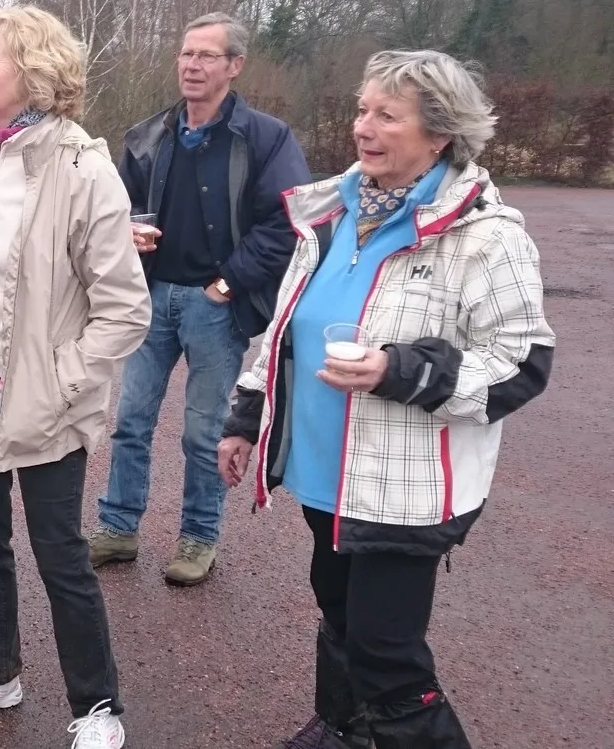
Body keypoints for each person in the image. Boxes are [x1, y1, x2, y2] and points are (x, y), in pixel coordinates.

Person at [218, 50, 554, 749]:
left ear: (440, 135)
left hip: (405, 488)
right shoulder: (330, 214)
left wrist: (400, 370)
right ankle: (344, 729)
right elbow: (285, 333)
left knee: (387, 656)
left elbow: (521, 364)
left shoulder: (486, 237)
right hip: (324, 471)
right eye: (362, 109)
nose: (363, 127)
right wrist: (246, 416)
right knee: (340, 612)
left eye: (387, 116)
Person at [0, 6, 151, 749]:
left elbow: (125, 310)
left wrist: (59, 381)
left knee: (60, 555)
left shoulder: (83, 170)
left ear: (34, 69)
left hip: (45, 403)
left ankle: (97, 707)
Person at [90, 12, 310, 586]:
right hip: (151, 297)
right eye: (187, 53)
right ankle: (118, 527)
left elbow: (288, 221)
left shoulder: (266, 138)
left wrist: (229, 282)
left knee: (204, 432)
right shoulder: (150, 134)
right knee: (130, 421)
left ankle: (198, 537)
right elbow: (114, 207)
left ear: (235, 66)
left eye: (207, 55)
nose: (192, 65)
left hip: (216, 306)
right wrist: (126, 234)